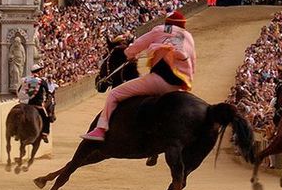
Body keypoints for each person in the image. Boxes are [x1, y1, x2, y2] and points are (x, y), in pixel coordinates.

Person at [81, 11, 196, 148]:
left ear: (167, 22)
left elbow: (137, 46)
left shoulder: (160, 29)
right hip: (179, 87)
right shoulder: (188, 37)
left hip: (159, 81)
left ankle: (100, 130)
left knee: (114, 94)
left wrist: (128, 54)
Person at [17, 64, 51, 143]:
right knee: (46, 117)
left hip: (25, 103)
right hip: (37, 104)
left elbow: (18, 89)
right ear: (39, 71)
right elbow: (47, 92)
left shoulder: (25, 79)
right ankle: (44, 134)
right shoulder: (41, 81)